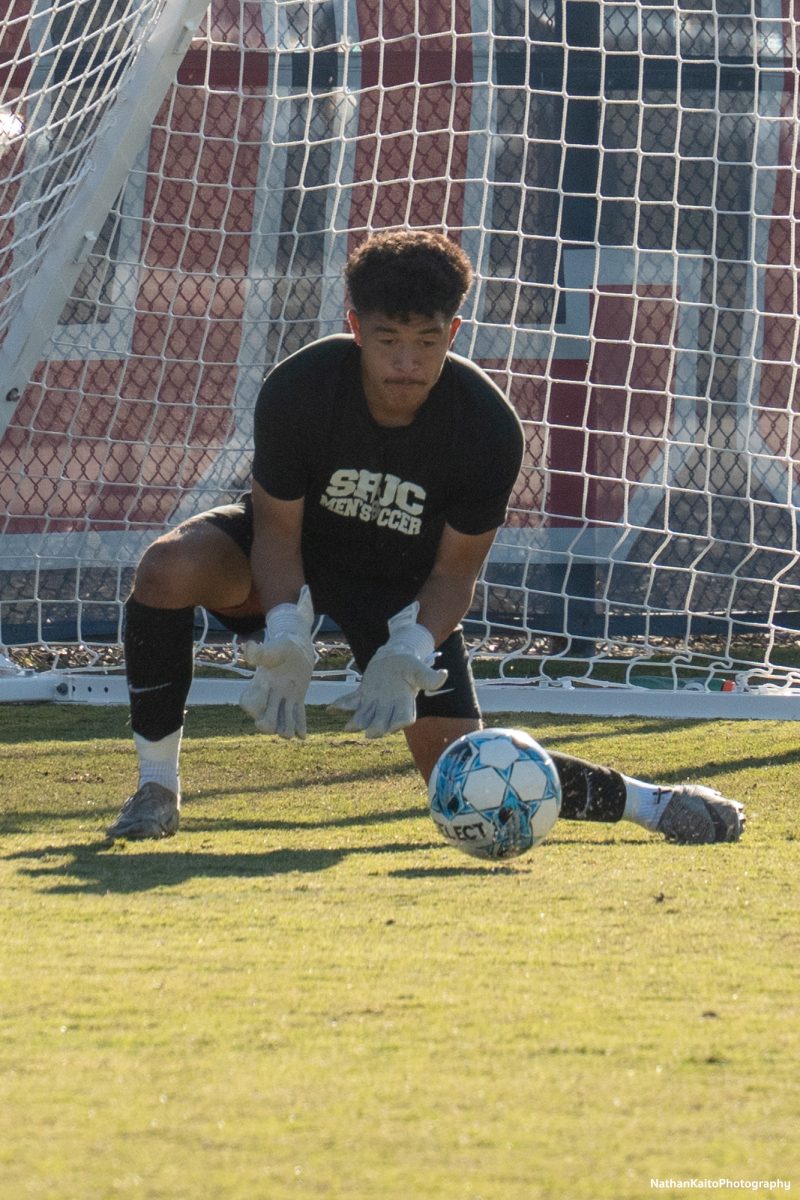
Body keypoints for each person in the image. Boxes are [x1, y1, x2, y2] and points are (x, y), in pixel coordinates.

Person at [107, 230, 745, 846]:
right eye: (387, 339)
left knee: (467, 770)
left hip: (399, 589)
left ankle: (653, 803)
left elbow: (454, 573)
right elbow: (277, 531)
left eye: (426, 340)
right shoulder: (300, 388)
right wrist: (285, 628)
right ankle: (156, 789)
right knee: (168, 568)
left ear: (454, 334)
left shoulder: (488, 427)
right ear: (355, 328)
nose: (406, 362)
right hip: (294, 558)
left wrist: (410, 646)